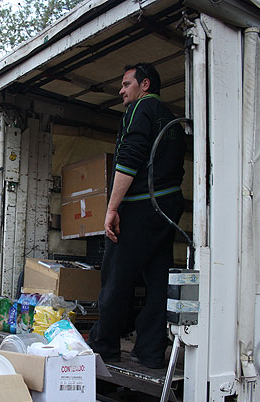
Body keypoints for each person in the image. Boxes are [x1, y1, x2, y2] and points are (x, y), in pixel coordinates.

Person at [87, 63, 185, 369]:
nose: (121, 90)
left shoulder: (141, 109)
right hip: (167, 208)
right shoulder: (171, 118)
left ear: (144, 85)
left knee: (116, 277)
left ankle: (105, 348)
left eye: (126, 84)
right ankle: (150, 351)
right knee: (159, 281)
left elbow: (129, 159)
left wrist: (112, 208)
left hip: (141, 205)